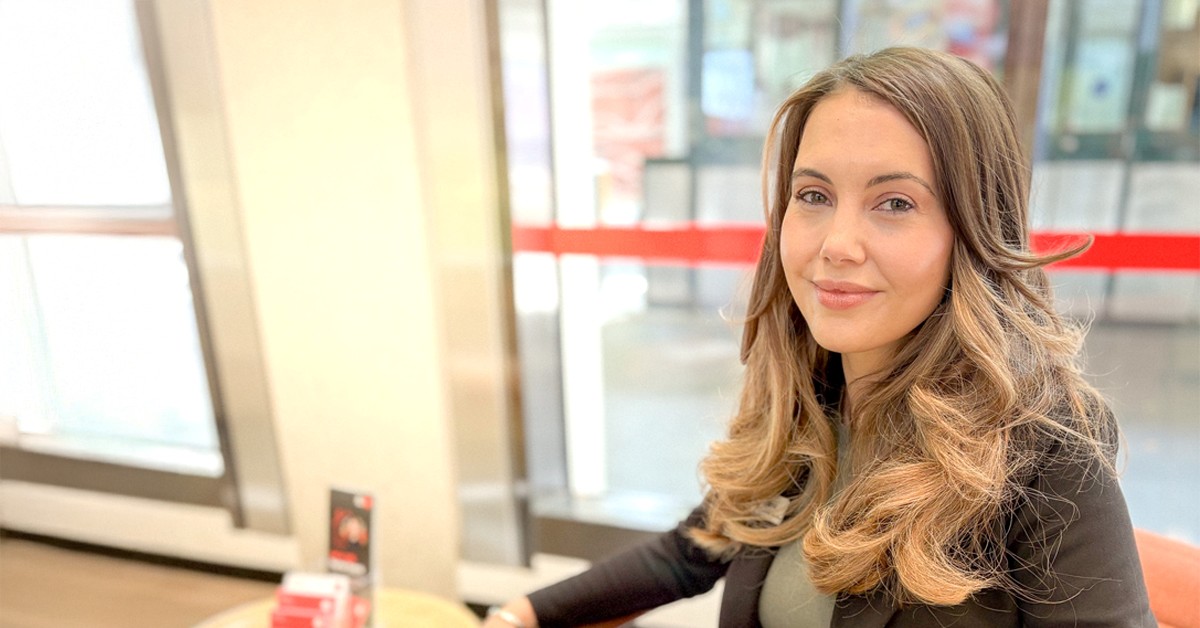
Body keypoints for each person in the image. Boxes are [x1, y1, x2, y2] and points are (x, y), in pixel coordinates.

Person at [485, 47, 1156, 628]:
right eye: (813, 195)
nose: (837, 244)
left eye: (896, 203)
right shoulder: (815, 391)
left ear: (974, 232)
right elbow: (696, 546)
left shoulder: (1042, 443)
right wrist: (522, 613)